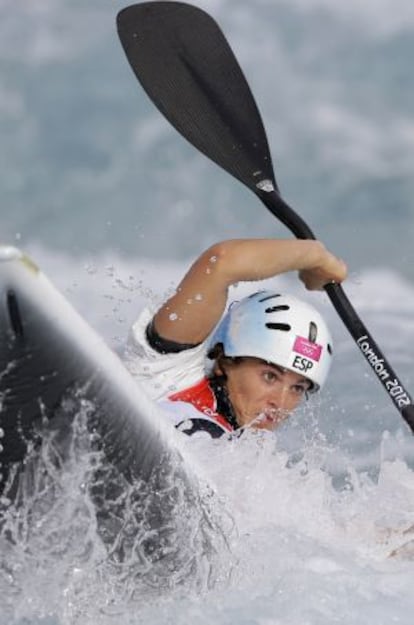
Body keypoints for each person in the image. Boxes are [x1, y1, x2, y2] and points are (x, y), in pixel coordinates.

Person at [124, 238, 347, 438]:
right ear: (225, 359)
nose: (280, 403)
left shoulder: (249, 466)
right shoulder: (166, 372)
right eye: (270, 376)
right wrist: (314, 255)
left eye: (297, 388)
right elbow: (221, 263)